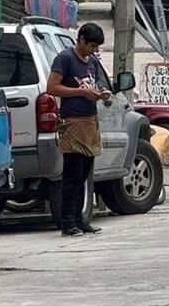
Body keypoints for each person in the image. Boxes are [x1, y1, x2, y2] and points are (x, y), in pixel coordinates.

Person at [46, 23, 110, 237]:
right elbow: (52, 88)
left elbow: (98, 83)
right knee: (72, 176)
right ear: (81, 39)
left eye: (96, 47)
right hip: (72, 123)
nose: (93, 50)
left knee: (84, 174)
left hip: (90, 122)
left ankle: (80, 219)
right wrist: (81, 93)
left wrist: (101, 92)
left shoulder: (92, 61)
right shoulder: (64, 58)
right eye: (91, 45)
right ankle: (67, 222)